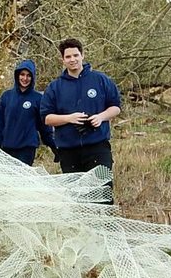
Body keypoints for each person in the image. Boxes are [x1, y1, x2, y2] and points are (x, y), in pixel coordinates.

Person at [40, 38, 122, 201]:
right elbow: (47, 118)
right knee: (77, 197)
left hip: (98, 146)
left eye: (76, 55)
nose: (73, 60)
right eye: (68, 57)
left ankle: (104, 225)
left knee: (103, 193)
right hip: (69, 150)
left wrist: (100, 117)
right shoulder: (55, 87)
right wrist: (69, 118)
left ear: (82, 55)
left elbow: (116, 107)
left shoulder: (100, 80)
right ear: (62, 60)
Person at [0, 59, 56, 166]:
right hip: (6, 148)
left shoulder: (38, 98)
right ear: (17, 75)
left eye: (28, 75)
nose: (25, 78)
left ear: (33, 77)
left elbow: (44, 128)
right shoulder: (6, 97)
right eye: (22, 74)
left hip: (26, 149)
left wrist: (54, 146)